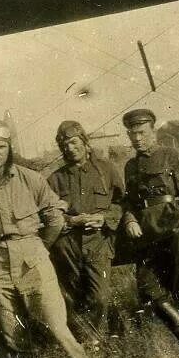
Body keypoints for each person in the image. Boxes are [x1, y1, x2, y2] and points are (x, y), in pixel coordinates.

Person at [0, 121, 100, 358]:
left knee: (57, 329)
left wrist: (41, 247)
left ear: (9, 149)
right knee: (10, 340)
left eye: (1, 147)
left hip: (33, 261)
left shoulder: (29, 179)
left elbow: (54, 218)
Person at [120, 109, 179, 351]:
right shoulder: (131, 166)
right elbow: (129, 202)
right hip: (146, 232)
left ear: (153, 131)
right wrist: (129, 219)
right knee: (147, 285)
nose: (137, 138)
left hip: (172, 226)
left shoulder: (170, 156)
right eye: (132, 134)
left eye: (141, 132)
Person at [46, 120, 125, 343]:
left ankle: (97, 338)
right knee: (72, 299)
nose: (70, 149)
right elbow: (48, 216)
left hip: (98, 243)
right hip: (68, 247)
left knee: (100, 296)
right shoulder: (54, 179)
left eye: (73, 142)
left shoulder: (106, 170)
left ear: (84, 142)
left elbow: (121, 202)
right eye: (65, 145)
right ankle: (88, 344)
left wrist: (105, 218)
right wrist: (72, 220)